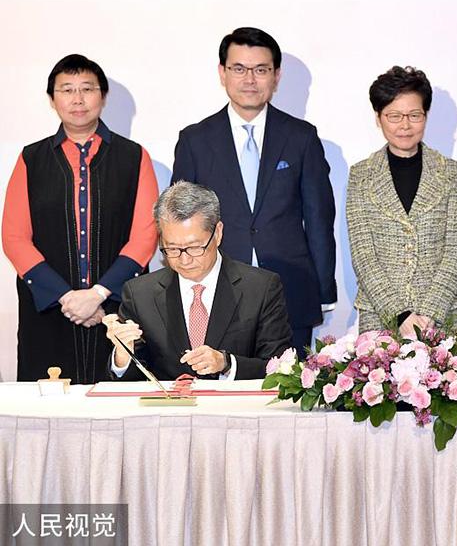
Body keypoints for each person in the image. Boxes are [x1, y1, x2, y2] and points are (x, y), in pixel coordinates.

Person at [171, 27, 336, 354]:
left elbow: (319, 220)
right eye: (239, 69)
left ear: (276, 76)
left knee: (289, 382)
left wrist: (323, 289)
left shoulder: (301, 137)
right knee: (221, 380)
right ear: (222, 73)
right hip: (217, 290)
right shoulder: (195, 140)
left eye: (261, 70)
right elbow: (181, 223)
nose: (250, 79)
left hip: (290, 289)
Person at [1, 54, 158, 384]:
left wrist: (97, 294)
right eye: (67, 89)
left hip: (117, 307)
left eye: (87, 89)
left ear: (103, 96)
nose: (77, 99)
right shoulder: (31, 158)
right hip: (49, 308)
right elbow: (14, 237)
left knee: (120, 400)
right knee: (47, 403)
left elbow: (145, 235)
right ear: (52, 99)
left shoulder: (134, 156)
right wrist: (68, 298)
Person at [105, 181, 293, 380]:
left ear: (218, 233)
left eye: (195, 247)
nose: (184, 260)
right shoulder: (139, 294)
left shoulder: (261, 288)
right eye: (172, 249)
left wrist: (227, 363)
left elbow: (279, 368)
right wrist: (122, 356)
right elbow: (133, 379)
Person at [346, 66, 457, 336]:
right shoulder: (361, 175)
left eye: (414, 115)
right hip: (380, 316)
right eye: (394, 116)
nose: (405, 125)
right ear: (378, 118)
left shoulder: (450, 173)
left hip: (442, 316)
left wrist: (428, 313)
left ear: (426, 116)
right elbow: (363, 254)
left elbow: (456, 250)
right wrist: (399, 314)